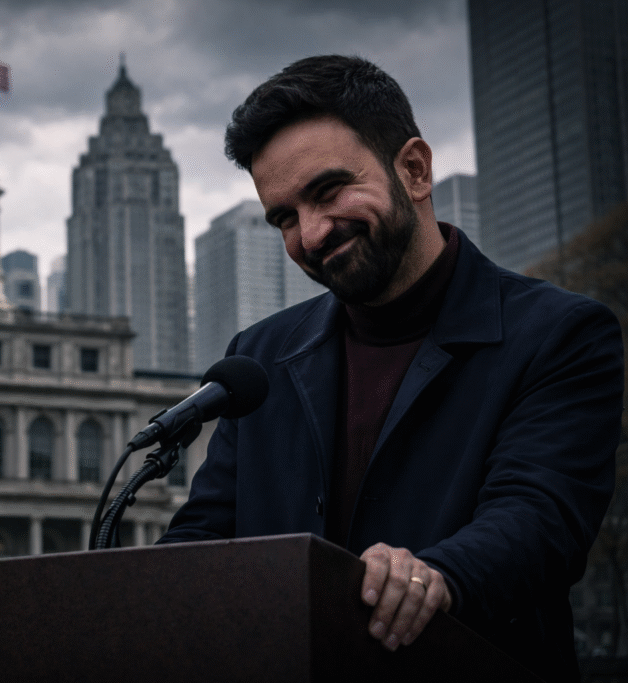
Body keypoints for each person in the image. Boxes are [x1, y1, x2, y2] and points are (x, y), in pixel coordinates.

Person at [158, 55, 623, 681]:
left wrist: (437, 576)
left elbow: (540, 521)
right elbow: (205, 535)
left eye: (327, 192)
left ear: (415, 169)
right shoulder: (257, 358)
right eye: (285, 218)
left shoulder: (560, 334)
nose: (313, 234)